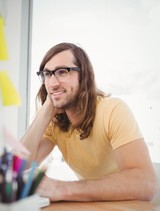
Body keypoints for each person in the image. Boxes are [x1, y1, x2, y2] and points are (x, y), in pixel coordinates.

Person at [21, 42, 158, 202]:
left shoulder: (112, 110)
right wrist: (45, 112)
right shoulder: (55, 122)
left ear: (84, 75)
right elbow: (16, 167)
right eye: (47, 74)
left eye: (62, 72)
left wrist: (62, 188)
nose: (52, 83)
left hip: (129, 210)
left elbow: (146, 183)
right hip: (93, 209)